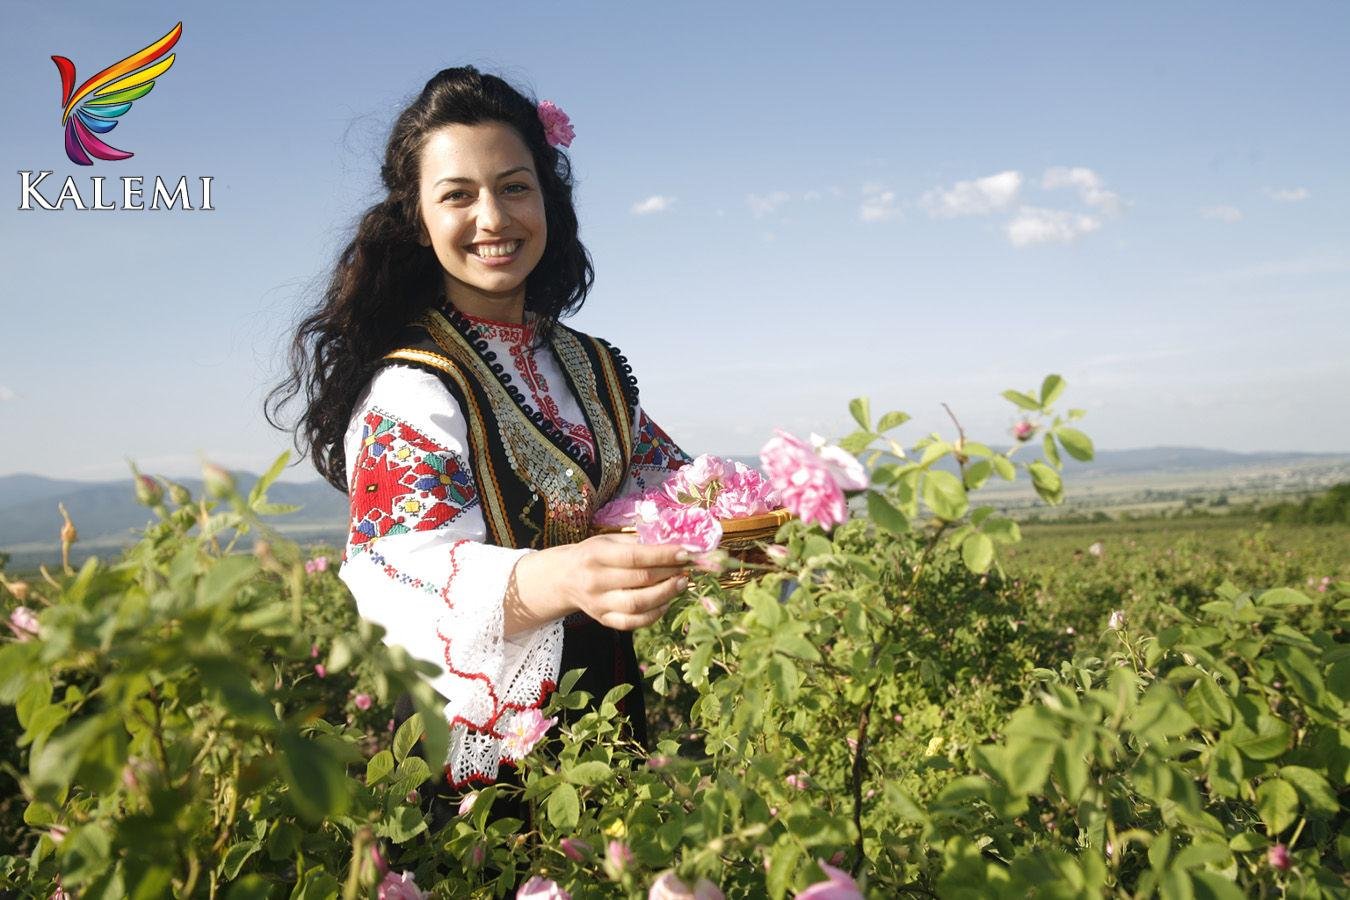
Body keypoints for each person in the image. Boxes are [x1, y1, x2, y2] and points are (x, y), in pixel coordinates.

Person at [266, 66, 695, 815]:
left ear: (548, 201)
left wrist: (769, 507)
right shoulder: (413, 386)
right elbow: (400, 571)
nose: (492, 218)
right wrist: (566, 578)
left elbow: (667, 485)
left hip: (603, 714)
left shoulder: (586, 363)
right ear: (418, 220)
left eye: (514, 186)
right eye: (458, 195)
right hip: (477, 740)